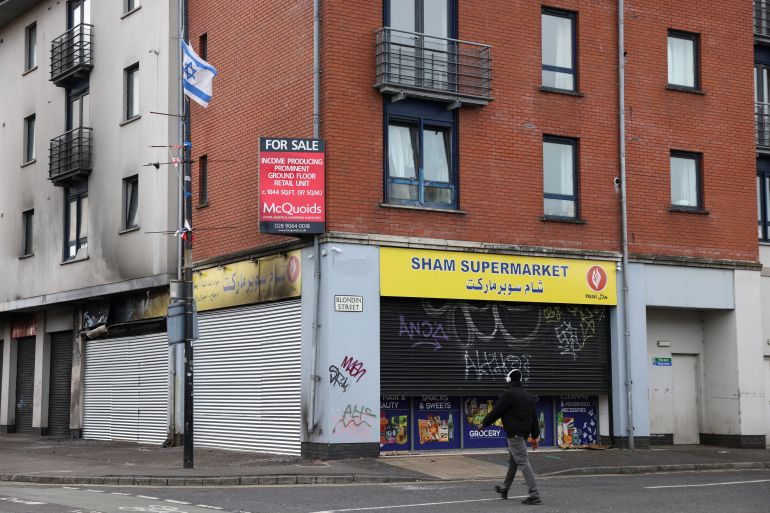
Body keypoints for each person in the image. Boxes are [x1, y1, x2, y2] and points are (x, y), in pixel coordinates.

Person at [480, 368, 542, 505]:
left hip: (514, 435)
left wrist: (484, 424)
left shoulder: (507, 395)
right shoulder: (527, 395)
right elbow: (534, 417)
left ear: (509, 380)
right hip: (523, 434)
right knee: (513, 462)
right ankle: (505, 489)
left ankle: (534, 494)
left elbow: (496, 411)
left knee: (523, 462)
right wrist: (535, 436)